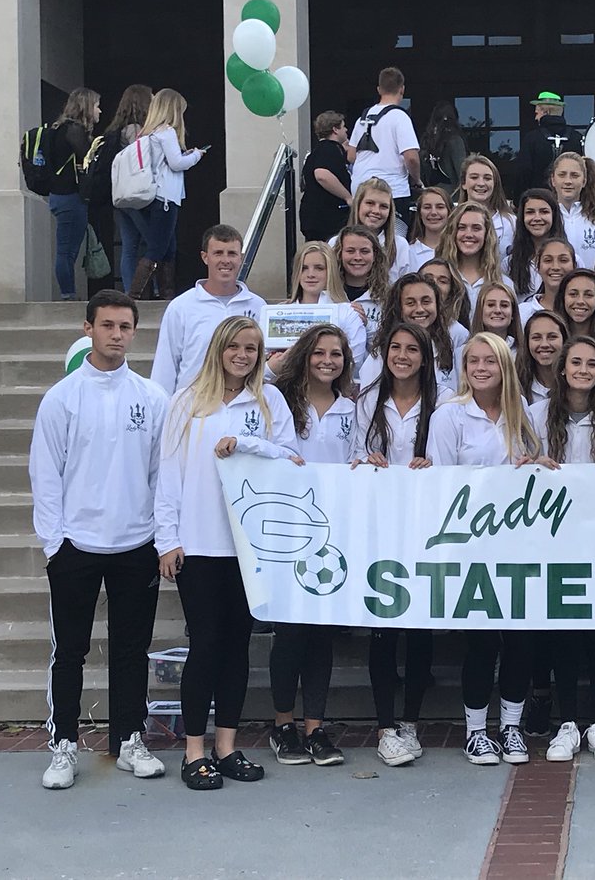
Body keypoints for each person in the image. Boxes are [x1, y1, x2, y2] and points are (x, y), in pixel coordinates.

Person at [30, 290, 169, 789]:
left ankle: (130, 738)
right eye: (107, 325)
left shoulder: (152, 398)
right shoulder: (62, 398)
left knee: (132, 650)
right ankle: (63, 745)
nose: (116, 335)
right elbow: (45, 476)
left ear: (134, 332)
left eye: (125, 326)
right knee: (70, 651)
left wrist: (159, 536)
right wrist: (55, 544)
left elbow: (163, 473)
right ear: (88, 328)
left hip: (137, 544)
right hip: (76, 546)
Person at [156, 316, 300, 790]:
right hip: (198, 544)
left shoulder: (268, 400)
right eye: (234, 346)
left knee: (238, 649)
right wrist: (167, 539)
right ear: (218, 348)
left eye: (252, 348)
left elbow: (293, 461)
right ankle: (193, 751)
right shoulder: (186, 402)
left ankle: (226, 745)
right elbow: (168, 476)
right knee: (206, 646)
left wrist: (248, 443)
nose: (243, 355)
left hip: (249, 548)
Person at [426, 333, 541, 766]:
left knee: (520, 638)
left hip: (517, 544)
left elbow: (533, 467)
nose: (479, 368)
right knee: (480, 641)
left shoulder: (522, 412)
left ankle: (511, 726)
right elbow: (442, 481)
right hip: (470, 546)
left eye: (489, 361)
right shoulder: (450, 415)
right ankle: (476, 731)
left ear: (503, 367)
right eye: (472, 361)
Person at [531, 336, 595, 763]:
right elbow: (522, 461)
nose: (584, 370)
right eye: (577, 362)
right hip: (554, 538)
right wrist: (533, 462)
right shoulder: (538, 413)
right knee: (564, 629)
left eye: (592, 363)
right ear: (563, 367)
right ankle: (568, 721)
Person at [353, 322, 444, 766]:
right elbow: (352, 455)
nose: (402, 356)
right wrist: (365, 462)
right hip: (382, 526)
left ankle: (410, 719)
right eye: (395, 348)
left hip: (427, 527)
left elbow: (451, 462)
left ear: (425, 358)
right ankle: (386, 723)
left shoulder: (441, 402)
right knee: (384, 627)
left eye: (412, 349)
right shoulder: (368, 400)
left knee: (419, 626)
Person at [267, 325, 354, 768]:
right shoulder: (280, 402)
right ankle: (283, 724)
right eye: (318, 352)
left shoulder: (352, 409)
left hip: (334, 534)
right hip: (289, 532)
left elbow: (358, 458)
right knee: (291, 632)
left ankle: (316, 727)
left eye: (336, 354)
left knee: (322, 633)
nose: (327, 361)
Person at [150, 225, 265, 394]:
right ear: (205, 257)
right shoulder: (181, 306)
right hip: (193, 407)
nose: (225, 260)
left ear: (240, 258)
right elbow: (165, 367)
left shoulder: (259, 306)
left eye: (232, 254)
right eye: (218, 253)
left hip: (244, 405)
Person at [128, 89, 205, 300]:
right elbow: (176, 164)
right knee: (157, 248)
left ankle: (165, 294)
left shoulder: (148, 133)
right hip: (166, 198)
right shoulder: (167, 132)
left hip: (152, 196)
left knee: (168, 248)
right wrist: (196, 155)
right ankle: (135, 295)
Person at [357, 273, 461, 392]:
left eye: (426, 302)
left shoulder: (448, 349)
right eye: (410, 303)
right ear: (399, 309)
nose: (420, 309)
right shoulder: (381, 356)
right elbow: (368, 404)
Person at [345, 66, 421, 228]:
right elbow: (411, 157)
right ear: (402, 89)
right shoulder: (400, 117)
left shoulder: (363, 119)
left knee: (363, 236)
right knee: (394, 237)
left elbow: (351, 156)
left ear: (379, 89)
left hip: (361, 189)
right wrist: (416, 179)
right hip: (392, 190)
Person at [277, 241, 368, 375]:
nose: (310, 274)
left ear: (330, 271)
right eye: (304, 268)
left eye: (319, 268)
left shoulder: (348, 313)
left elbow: (354, 361)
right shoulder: (278, 312)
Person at [47, 88, 101, 301]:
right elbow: (88, 157)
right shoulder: (74, 131)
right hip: (70, 196)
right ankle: (68, 295)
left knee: (67, 249)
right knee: (66, 251)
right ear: (86, 107)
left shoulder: (58, 128)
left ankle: (68, 293)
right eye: (96, 105)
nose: (99, 110)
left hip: (59, 196)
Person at [104, 84, 153, 292]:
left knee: (128, 246)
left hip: (121, 194)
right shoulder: (136, 131)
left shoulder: (115, 131)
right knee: (152, 242)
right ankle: (142, 290)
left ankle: (128, 290)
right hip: (137, 194)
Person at [549, 152, 595, 269]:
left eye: (574, 175)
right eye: (562, 175)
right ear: (553, 180)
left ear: (584, 181)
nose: (568, 181)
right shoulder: (545, 217)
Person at [435, 201, 503, 307]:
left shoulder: (503, 282)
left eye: (476, 228)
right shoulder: (436, 278)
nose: (469, 234)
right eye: (461, 227)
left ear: (487, 234)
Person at [300, 110, 353, 243]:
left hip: (315, 217)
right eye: (343, 126)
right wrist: (347, 197)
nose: (346, 130)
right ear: (335, 129)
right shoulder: (329, 149)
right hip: (326, 219)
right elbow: (322, 175)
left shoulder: (318, 151)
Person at [516, 91, 584, 196]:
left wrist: (520, 200)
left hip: (538, 201)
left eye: (537, 113)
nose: (535, 118)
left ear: (545, 112)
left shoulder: (532, 138)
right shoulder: (577, 138)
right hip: (571, 200)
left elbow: (523, 172)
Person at [333, 225, 392, 341]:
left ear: (375, 255)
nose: (358, 257)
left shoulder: (389, 298)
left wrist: (366, 326)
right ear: (340, 254)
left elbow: (389, 347)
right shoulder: (327, 294)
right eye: (350, 251)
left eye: (364, 251)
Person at [346, 177, 411, 282]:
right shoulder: (336, 242)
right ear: (358, 204)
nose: (376, 211)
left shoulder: (400, 245)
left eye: (383, 206)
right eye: (370, 203)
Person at [504, 188, 564, 299]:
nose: (537, 218)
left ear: (554, 215)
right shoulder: (509, 263)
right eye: (530, 212)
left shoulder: (571, 260)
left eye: (544, 212)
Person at [456, 154, 516, 261]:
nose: (481, 183)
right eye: (474, 177)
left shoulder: (511, 222)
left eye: (487, 178)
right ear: (463, 183)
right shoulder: (452, 219)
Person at [520, 236, 576, 325]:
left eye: (563, 260)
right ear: (538, 267)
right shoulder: (523, 313)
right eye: (548, 260)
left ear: (574, 266)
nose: (555, 267)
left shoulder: (581, 311)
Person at [516, 309, 569, 403]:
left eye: (552, 337)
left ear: (564, 341)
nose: (544, 344)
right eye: (536, 338)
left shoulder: (575, 383)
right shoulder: (516, 384)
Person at [419, 101, 467, 196]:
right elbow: (461, 171)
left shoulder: (426, 139)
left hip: (429, 192)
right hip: (451, 194)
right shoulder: (455, 140)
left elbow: (421, 172)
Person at [419, 255, 471, 334]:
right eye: (428, 278)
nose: (434, 284)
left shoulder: (458, 332)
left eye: (442, 281)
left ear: (451, 291)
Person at [470, 281, 523, 354]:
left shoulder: (524, 353)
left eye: (504, 305)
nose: (497, 310)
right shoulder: (462, 351)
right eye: (491, 305)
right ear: (480, 311)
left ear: (513, 313)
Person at [406, 186, 451, 270]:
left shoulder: (459, 250)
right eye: (427, 207)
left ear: (449, 212)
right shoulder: (408, 252)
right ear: (419, 213)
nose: (433, 212)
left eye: (440, 207)